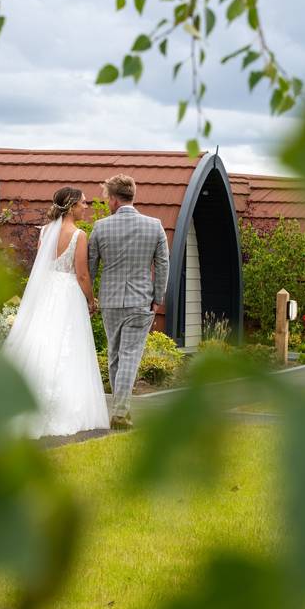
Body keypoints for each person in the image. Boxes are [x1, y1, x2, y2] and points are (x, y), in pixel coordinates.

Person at [0, 186, 109, 438]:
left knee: (39, 342)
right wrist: (91, 300)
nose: (86, 207)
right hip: (67, 295)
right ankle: (59, 409)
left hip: (46, 293)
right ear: (71, 206)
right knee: (66, 347)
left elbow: (43, 265)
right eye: (83, 203)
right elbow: (81, 274)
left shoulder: (46, 231)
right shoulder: (78, 235)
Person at [88, 174, 169, 430]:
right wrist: (158, 298)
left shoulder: (101, 227)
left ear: (113, 199)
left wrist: (88, 297)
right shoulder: (154, 225)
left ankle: (119, 409)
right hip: (141, 300)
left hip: (110, 300)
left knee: (114, 354)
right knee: (130, 355)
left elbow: (90, 266)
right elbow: (163, 264)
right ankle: (120, 412)